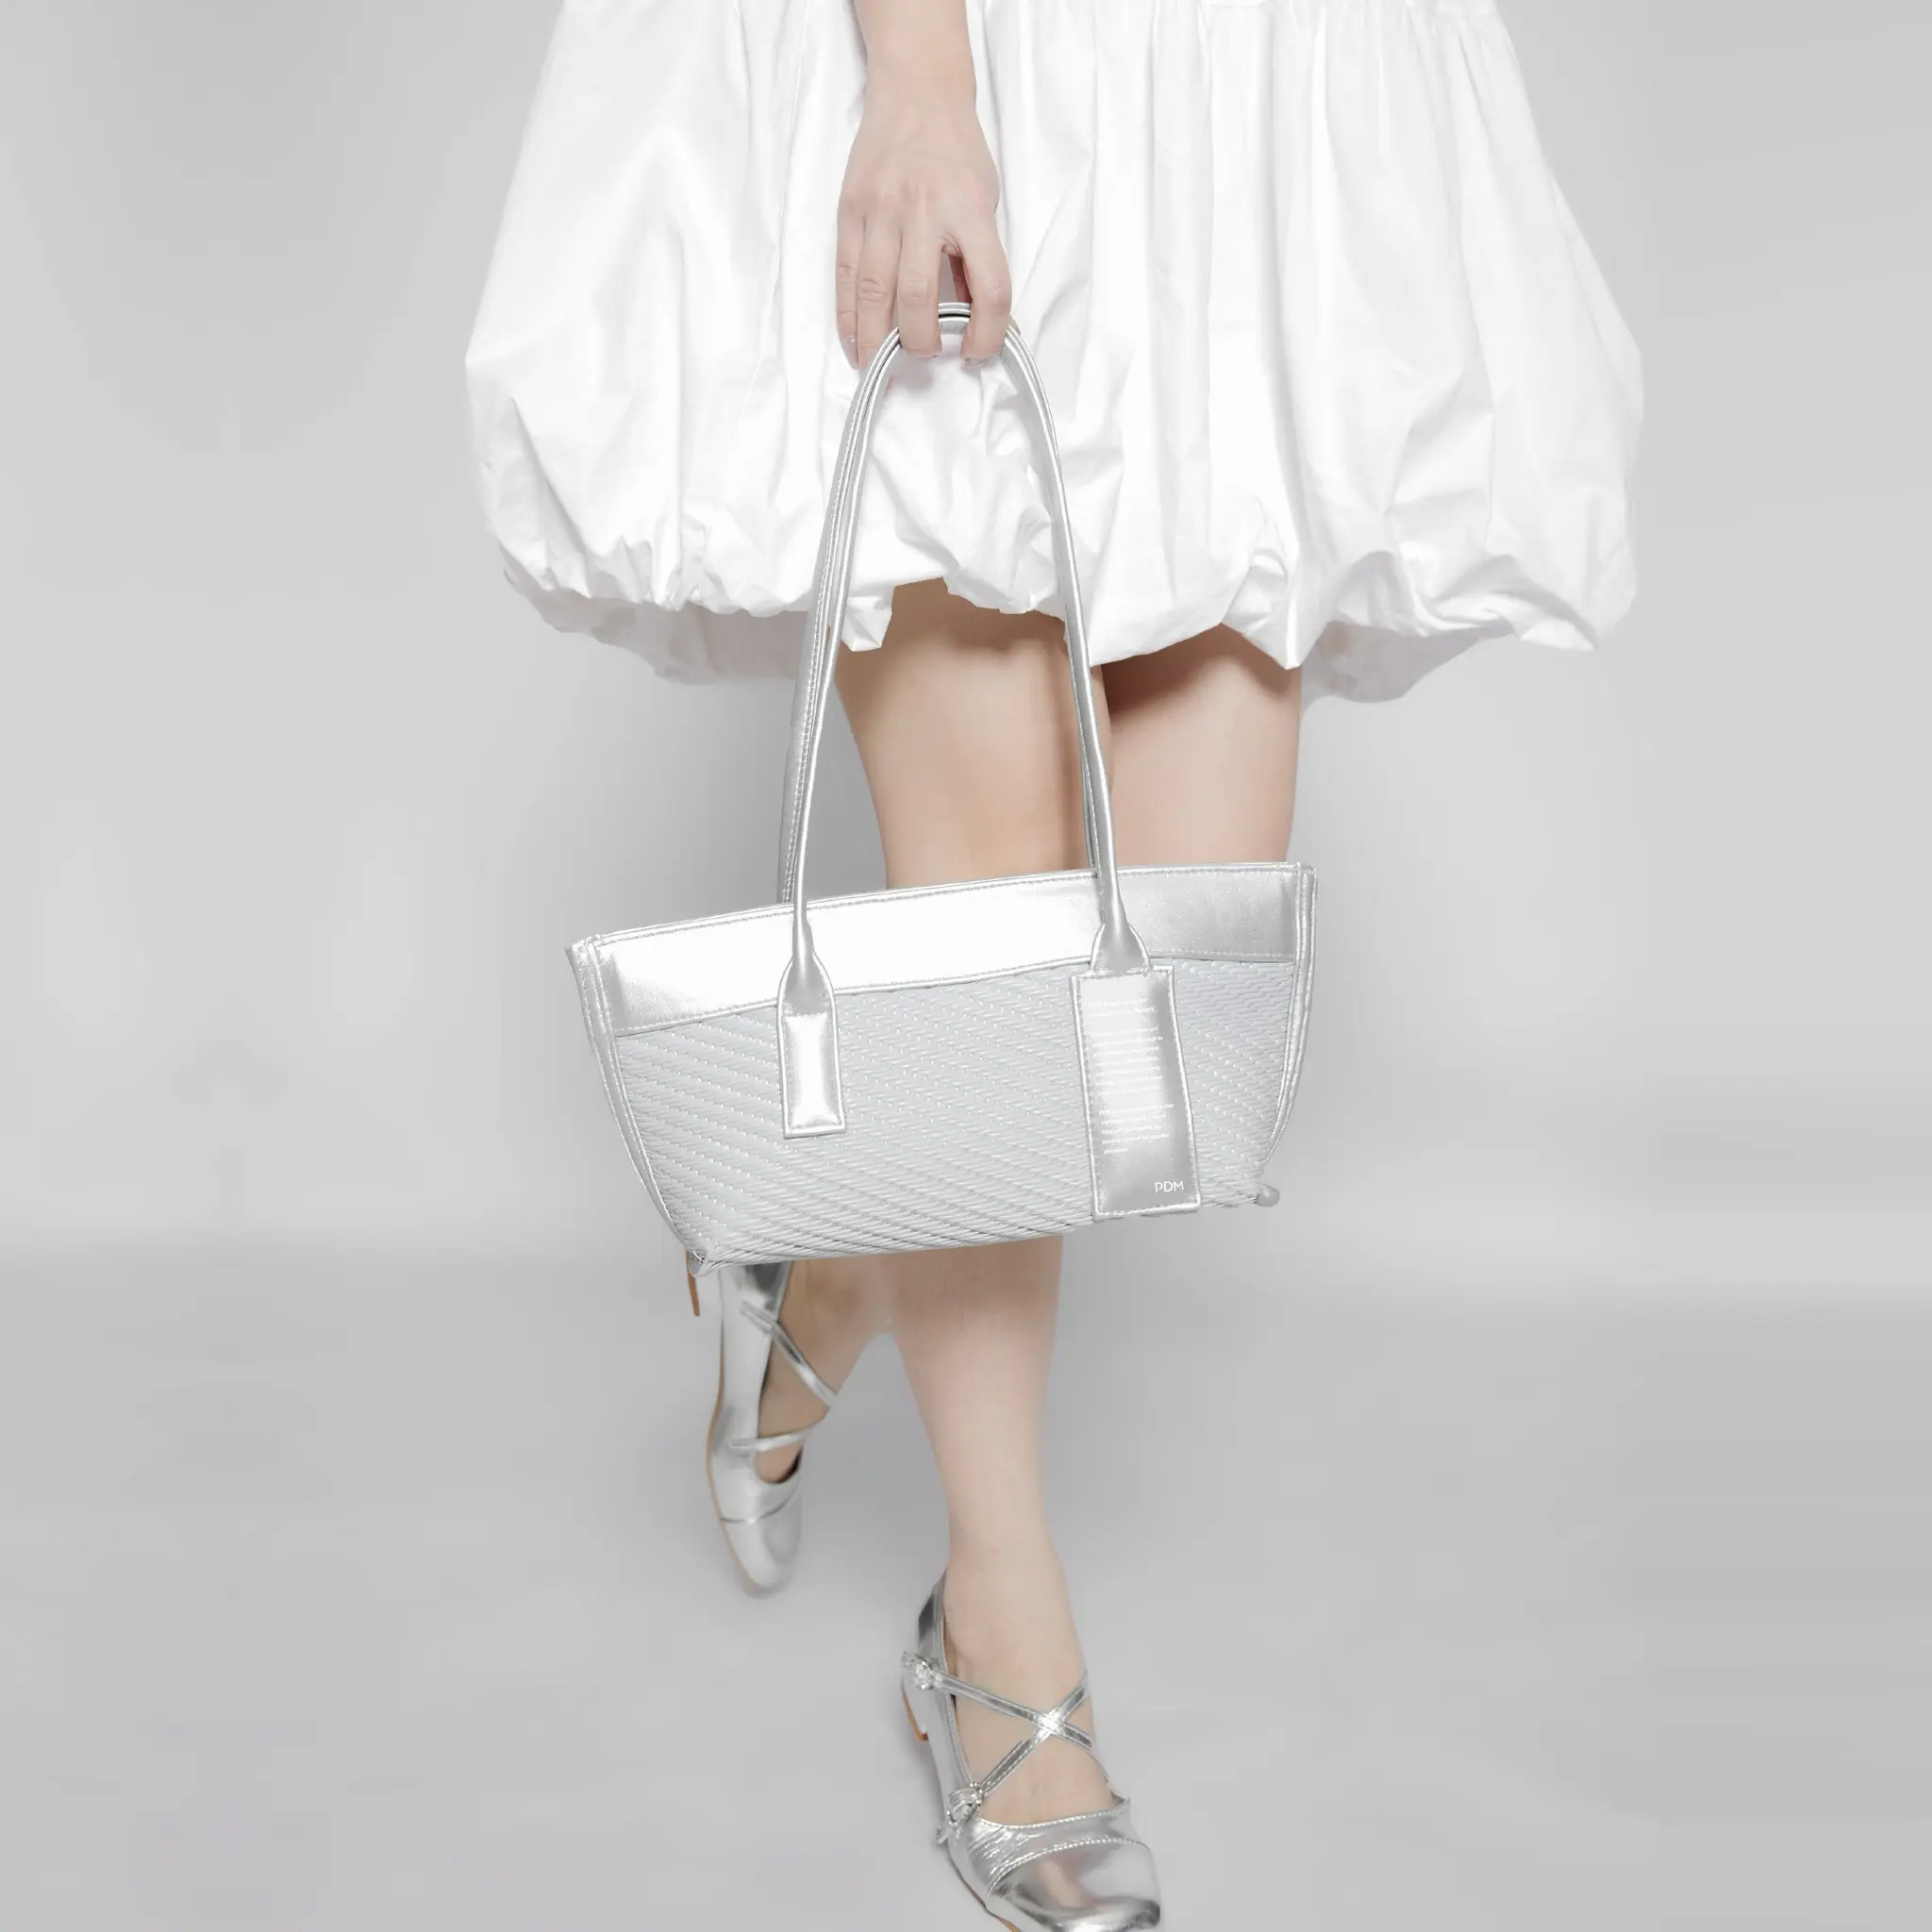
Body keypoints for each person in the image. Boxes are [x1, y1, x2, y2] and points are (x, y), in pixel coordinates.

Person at [467, 2, 1640, 1924]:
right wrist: (922, 81)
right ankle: (997, 1641)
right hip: (978, 63)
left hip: (1241, 85)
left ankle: (822, 1271)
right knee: (993, 949)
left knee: (1174, 955)